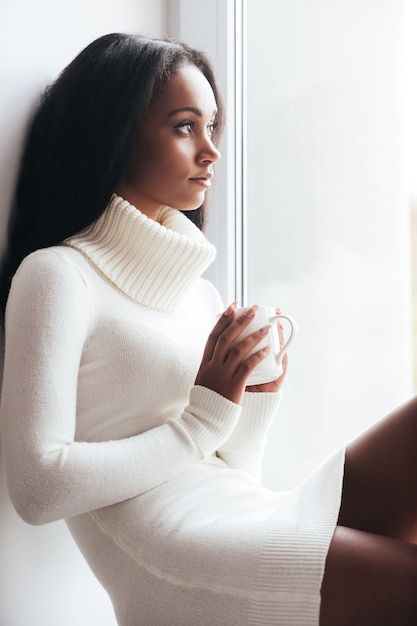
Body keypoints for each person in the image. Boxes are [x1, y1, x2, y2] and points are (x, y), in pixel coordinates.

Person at [0, 32, 416, 626]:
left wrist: (253, 405)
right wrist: (202, 418)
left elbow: (230, 472)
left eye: (212, 126)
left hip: (246, 514)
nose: (211, 151)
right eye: (184, 126)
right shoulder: (58, 276)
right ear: (115, 132)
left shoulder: (197, 292)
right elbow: (37, 489)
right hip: (177, 556)